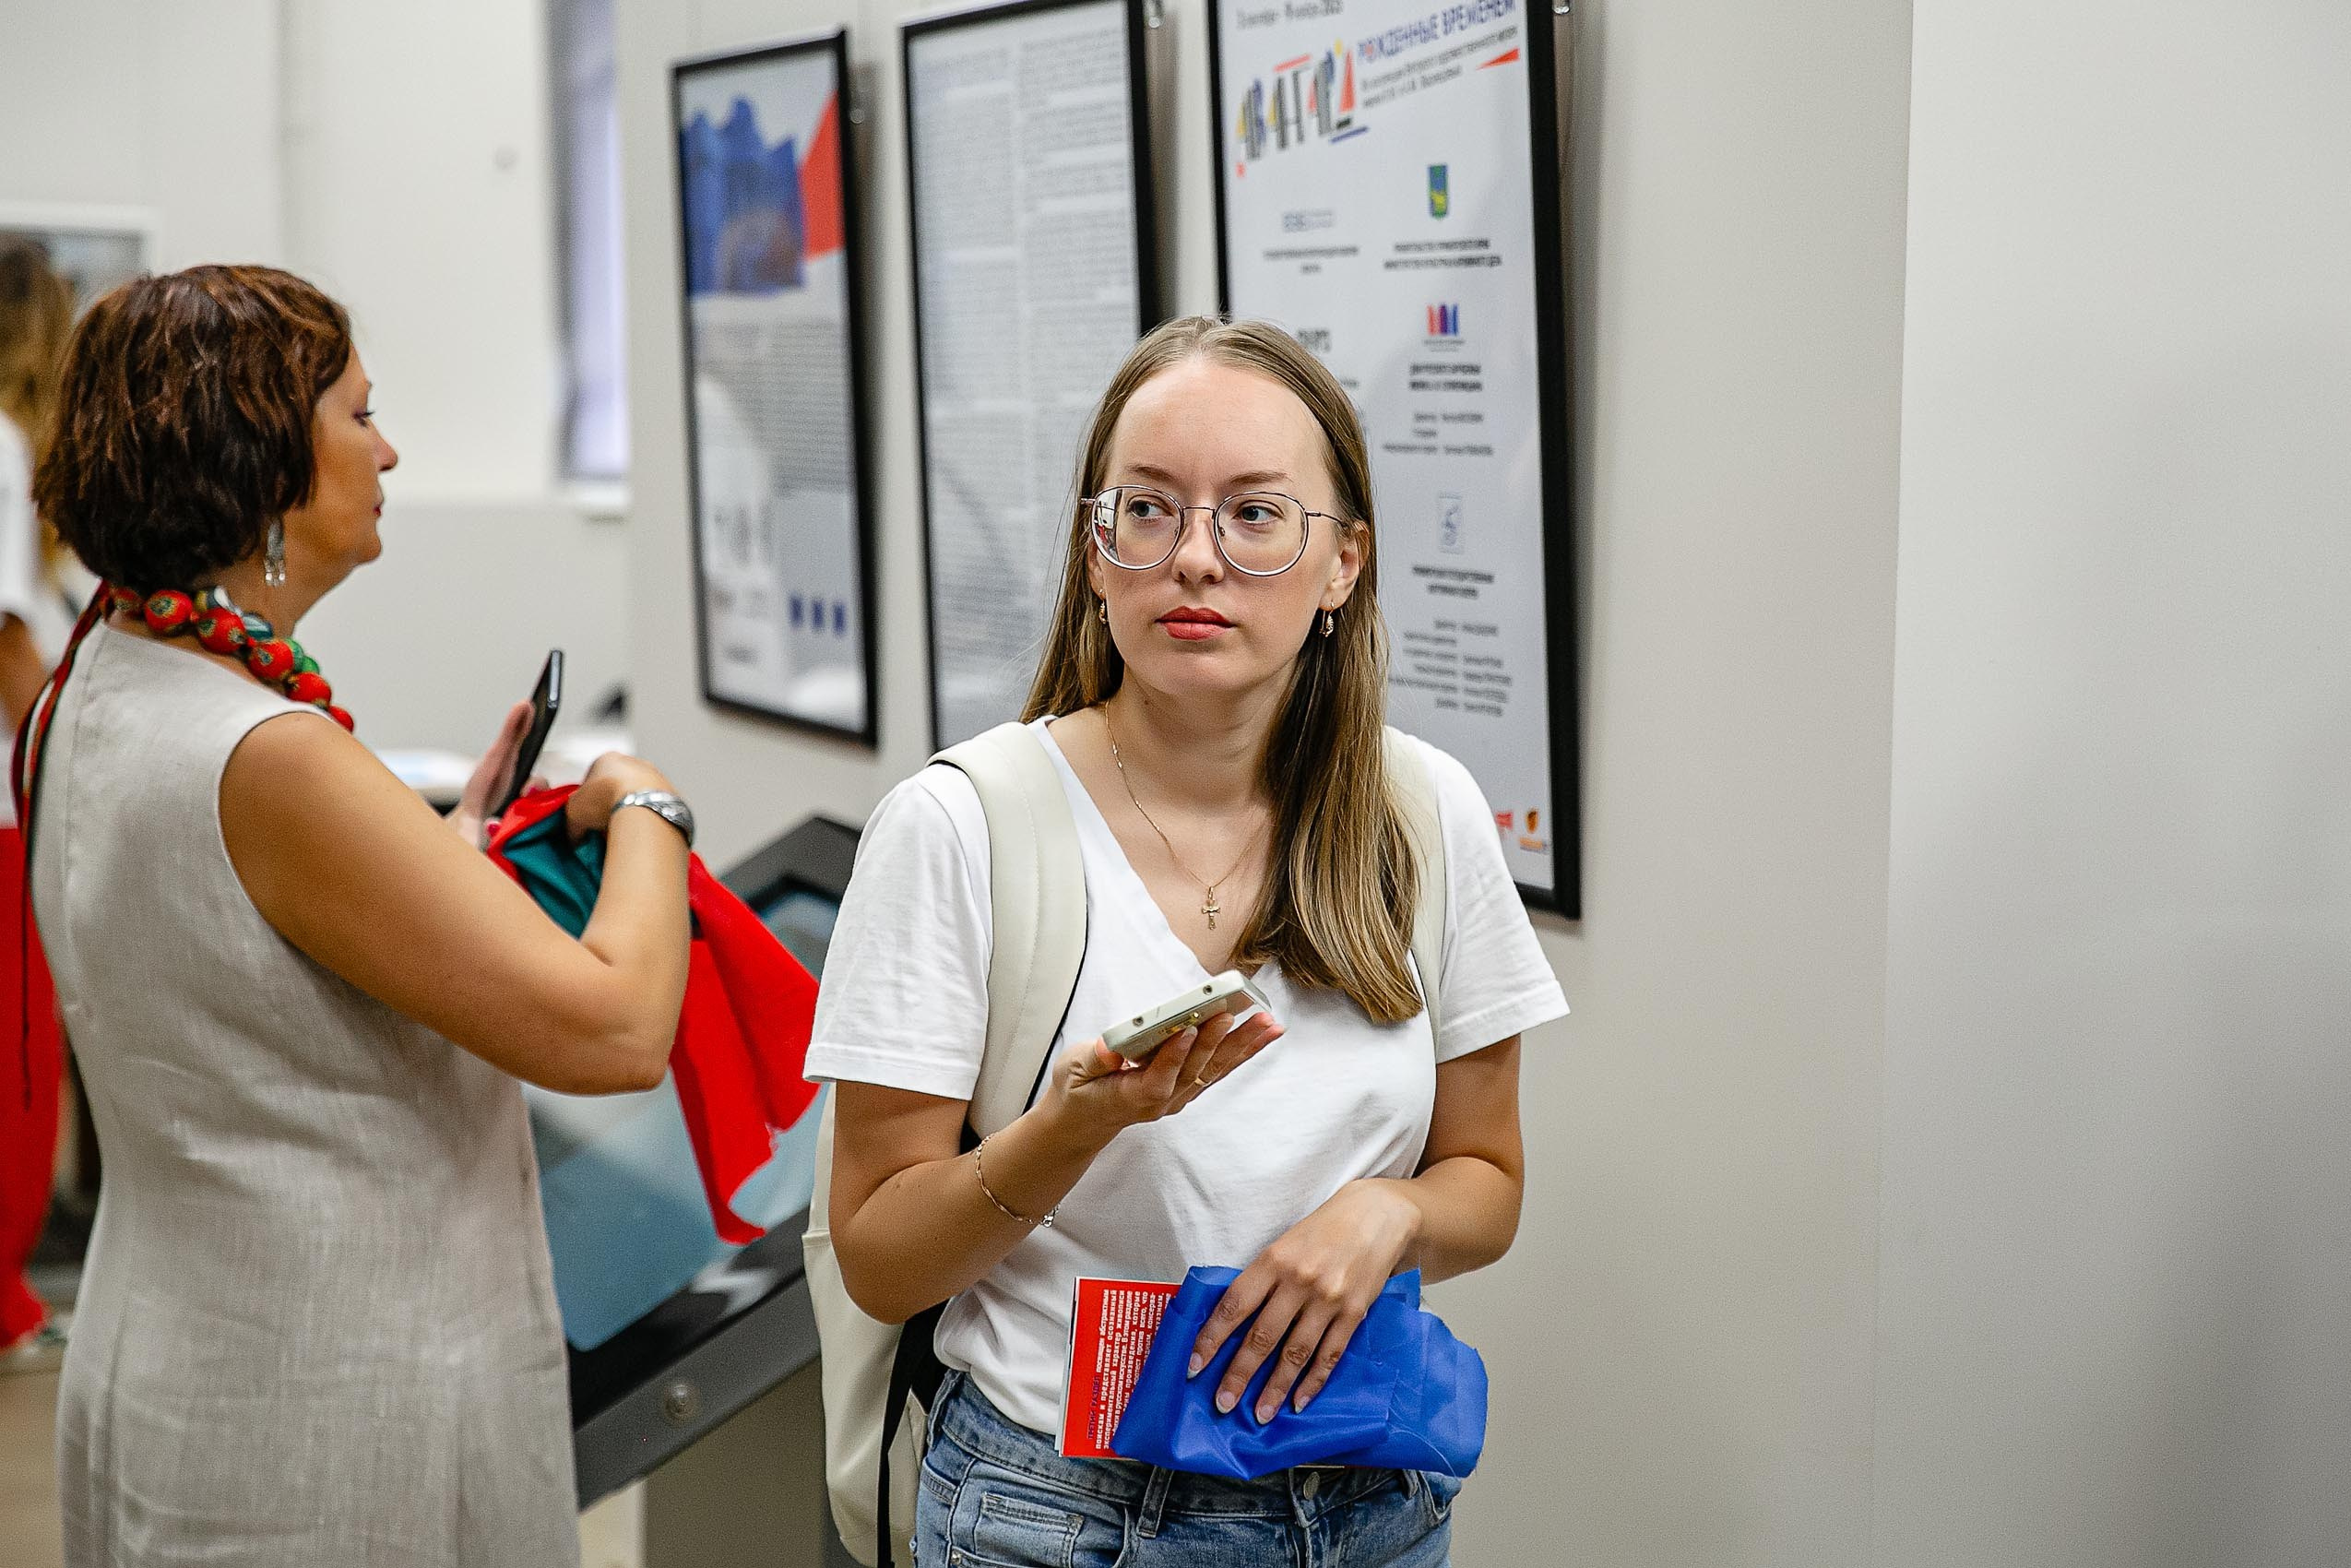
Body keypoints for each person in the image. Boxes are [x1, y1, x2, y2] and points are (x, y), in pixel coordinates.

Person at [810, 316, 1569, 1567]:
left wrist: (1386, 1215)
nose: (1196, 560)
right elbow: (882, 1263)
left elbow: (1486, 1183)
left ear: (1344, 566)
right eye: (1149, 512)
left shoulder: (1422, 815)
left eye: (1256, 515)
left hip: (1368, 1507)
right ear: (1096, 554)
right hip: (1054, 1511)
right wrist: (1075, 1125)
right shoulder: (959, 827)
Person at [25, 265, 695, 1566]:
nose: (387, 451)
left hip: (178, 1355)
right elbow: (616, 1030)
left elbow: (236, 947)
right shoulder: (270, 756)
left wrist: (440, 850)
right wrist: (648, 808)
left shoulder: (98, 674)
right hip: (333, 1421)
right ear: (264, 457)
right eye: (358, 416)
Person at [0, 235, 75, 1356]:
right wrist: (71, 762)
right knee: (17, 1054)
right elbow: (7, 637)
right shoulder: (3, 450)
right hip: (5, 807)